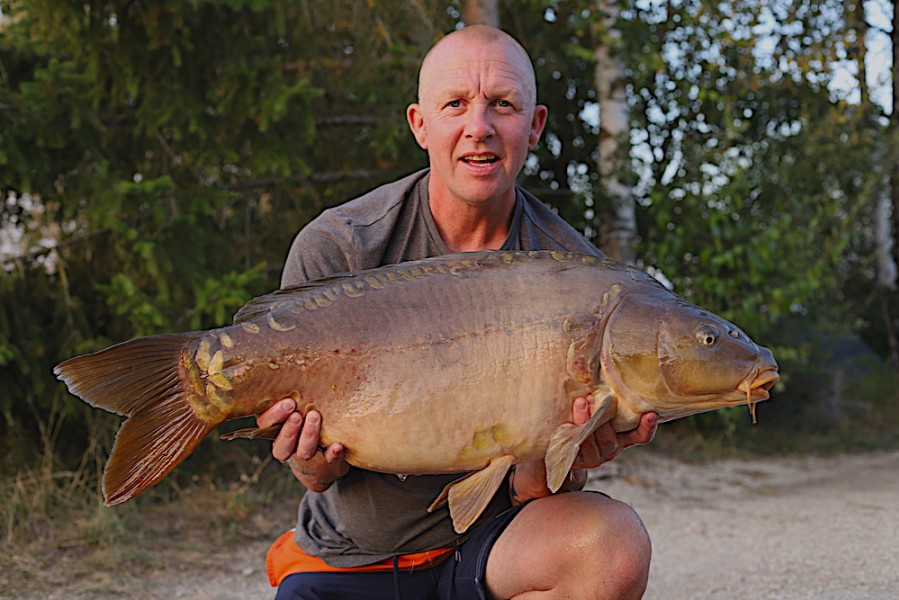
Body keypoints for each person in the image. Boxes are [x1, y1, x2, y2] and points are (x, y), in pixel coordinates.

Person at [256, 24, 658, 599]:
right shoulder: (342, 246)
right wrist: (309, 459)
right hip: (353, 558)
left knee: (611, 546)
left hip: (491, 551)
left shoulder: (578, 278)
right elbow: (319, 473)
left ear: (535, 125)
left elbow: (528, 489)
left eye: (503, 104)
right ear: (420, 124)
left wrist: (568, 456)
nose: (480, 128)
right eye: (455, 104)